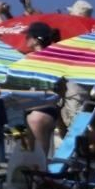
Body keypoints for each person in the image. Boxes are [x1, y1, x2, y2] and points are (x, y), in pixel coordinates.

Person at [22, 22, 65, 159]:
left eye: (28, 36)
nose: (25, 39)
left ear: (36, 39)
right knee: (37, 154)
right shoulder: (55, 58)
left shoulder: (33, 59)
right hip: (46, 109)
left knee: (38, 155)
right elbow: (61, 87)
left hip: (39, 109)